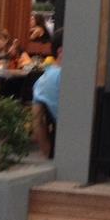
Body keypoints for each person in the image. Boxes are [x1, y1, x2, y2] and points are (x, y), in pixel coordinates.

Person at [32, 28, 63, 159]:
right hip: (78, 138)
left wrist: (49, 153)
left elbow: (37, 120)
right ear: (61, 51)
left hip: (58, 143)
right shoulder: (65, 76)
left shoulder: (41, 81)